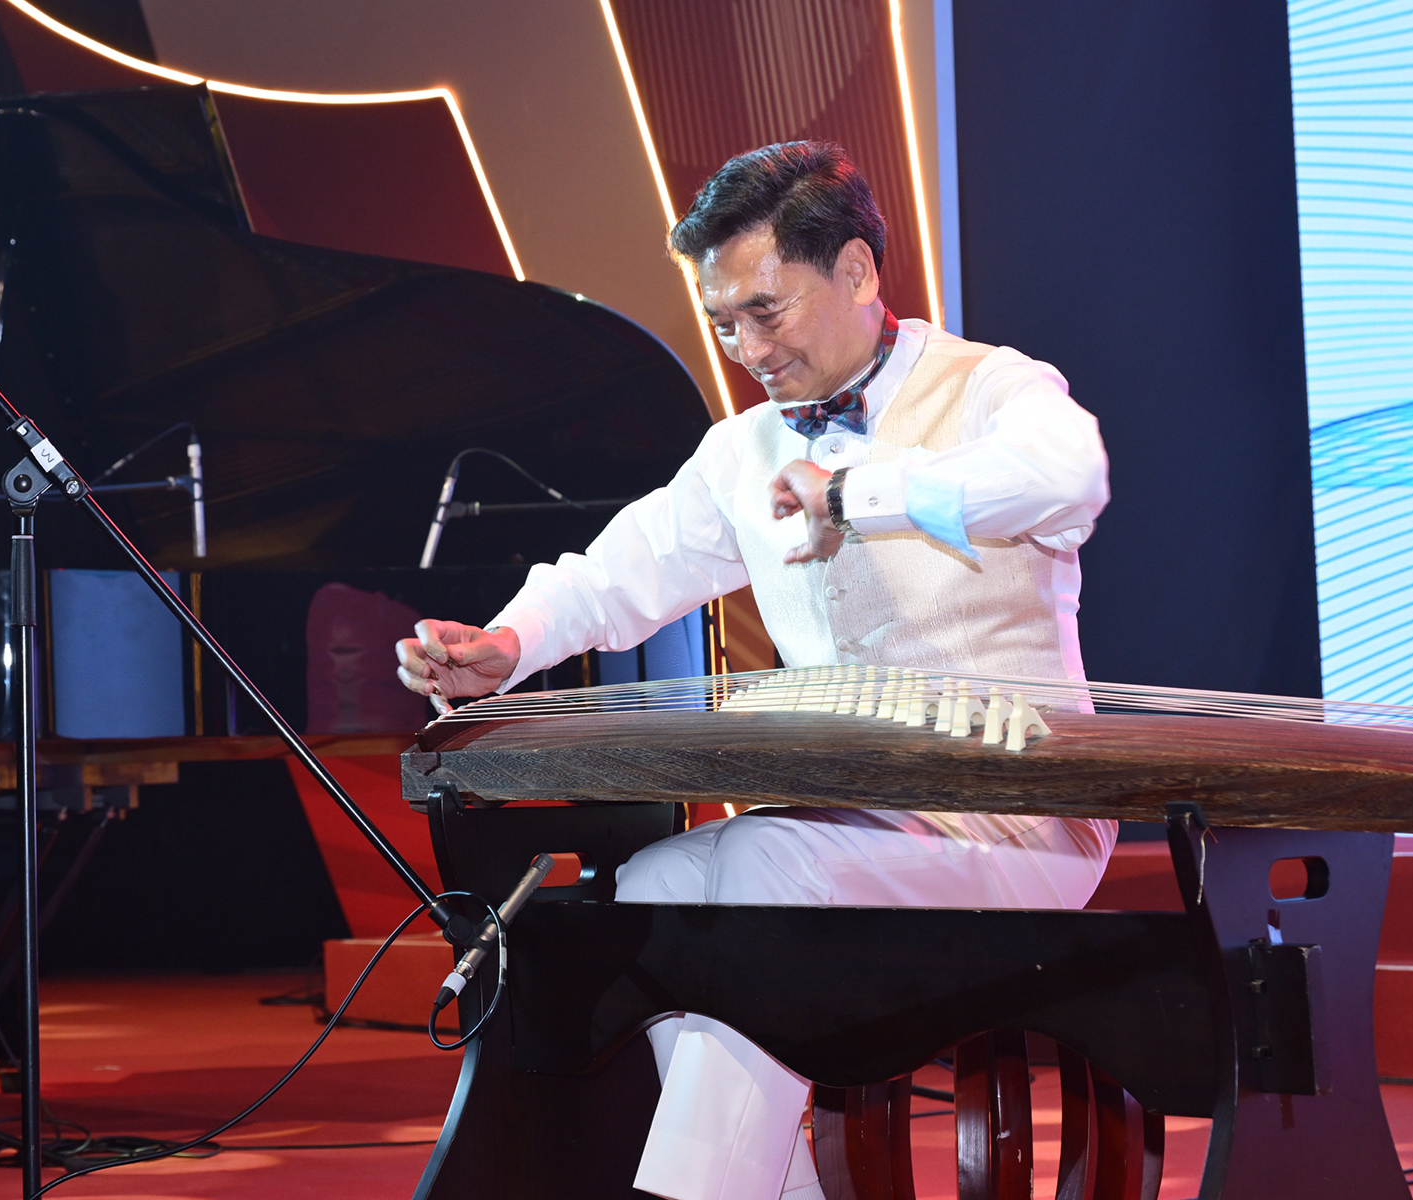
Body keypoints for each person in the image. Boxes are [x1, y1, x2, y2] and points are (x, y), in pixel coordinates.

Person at [394, 142, 1115, 1200]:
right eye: (723, 320)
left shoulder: (990, 388)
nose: (742, 346)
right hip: (849, 827)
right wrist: (502, 649)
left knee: (770, 881)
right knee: (647, 889)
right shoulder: (740, 451)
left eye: (763, 312)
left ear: (858, 273)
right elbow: (614, 574)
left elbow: (1070, 473)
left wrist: (853, 491)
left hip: (1015, 829)